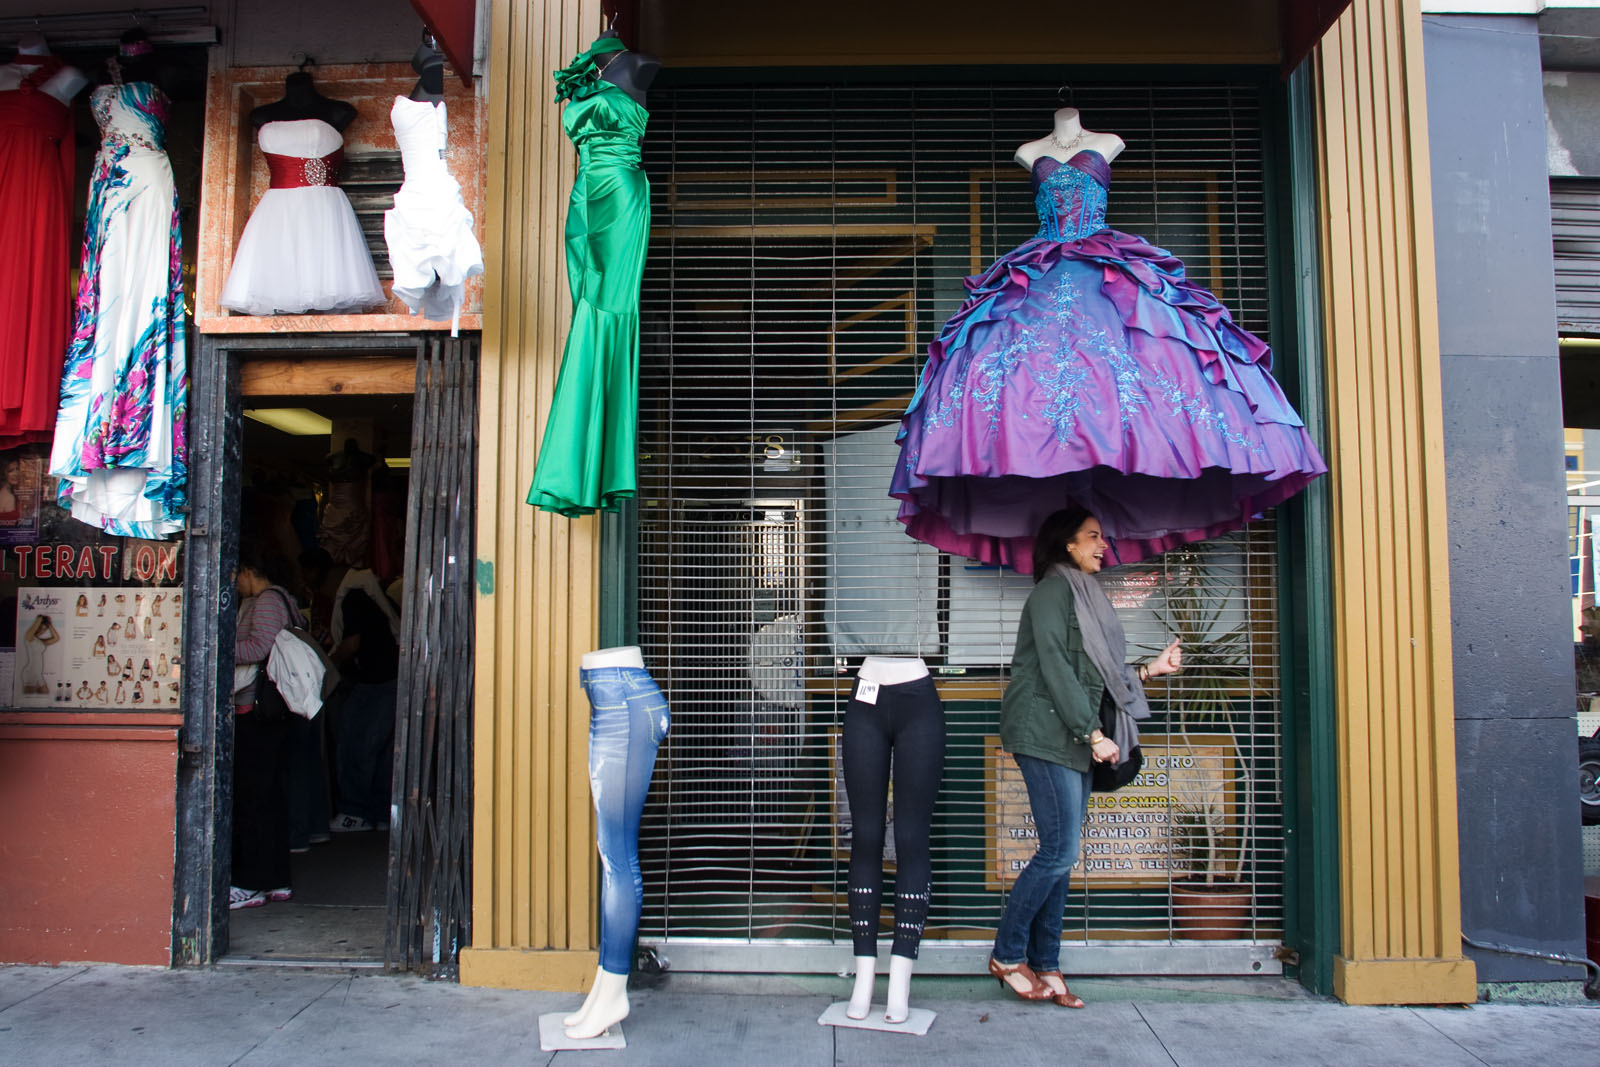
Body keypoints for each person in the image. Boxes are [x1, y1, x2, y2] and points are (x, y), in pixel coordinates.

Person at [891, 108, 1326, 572]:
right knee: (1014, 384)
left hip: (1104, 267)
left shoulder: (1108, 142)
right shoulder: (1029, 152)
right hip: (1039, 270)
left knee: (1145, 376)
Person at [989, 507, 1180, 1007]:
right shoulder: (1053, 592)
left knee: (1062, 854)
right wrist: (1093, 734)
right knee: (1059, 851)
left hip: (1072, 735)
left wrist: (1150, 670)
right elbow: (1055, 664)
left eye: (1102, 537)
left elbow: (1096, 674)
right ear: (1068, 543)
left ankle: (1046, 962)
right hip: (1045, 732)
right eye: (1093, 536)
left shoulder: (1086, 594)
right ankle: (1007, 954)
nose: (1103, 545)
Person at [526, 28, 659, 515]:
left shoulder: (638, 66)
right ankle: (578, 450)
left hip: (621, 189)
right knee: (586, 305)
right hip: (583, 192)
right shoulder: (588, 70)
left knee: (607, 306)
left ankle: (592, 458)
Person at [562, 645, 670, 1041]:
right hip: (613, 698)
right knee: (612, 854)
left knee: (617, 857)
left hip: (623, 702)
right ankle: (603, 988)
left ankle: (612, 994)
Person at [841, 656, 945, 1024]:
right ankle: (863, 978)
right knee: (865, 837)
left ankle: (900, 981)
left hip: (919, 697)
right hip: (865, 696)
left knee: (911, 838)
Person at [230, 545, 300, 910]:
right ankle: (275, 880)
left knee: (253, 799)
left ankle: (250, 884)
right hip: (266, 714)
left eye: (236, 575)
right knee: (267, 798)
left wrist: (217, 646)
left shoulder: (268, 601)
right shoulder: (276, 598)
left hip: (258, 712)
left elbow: (261, 648)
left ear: (247, 570)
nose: (234, 583)